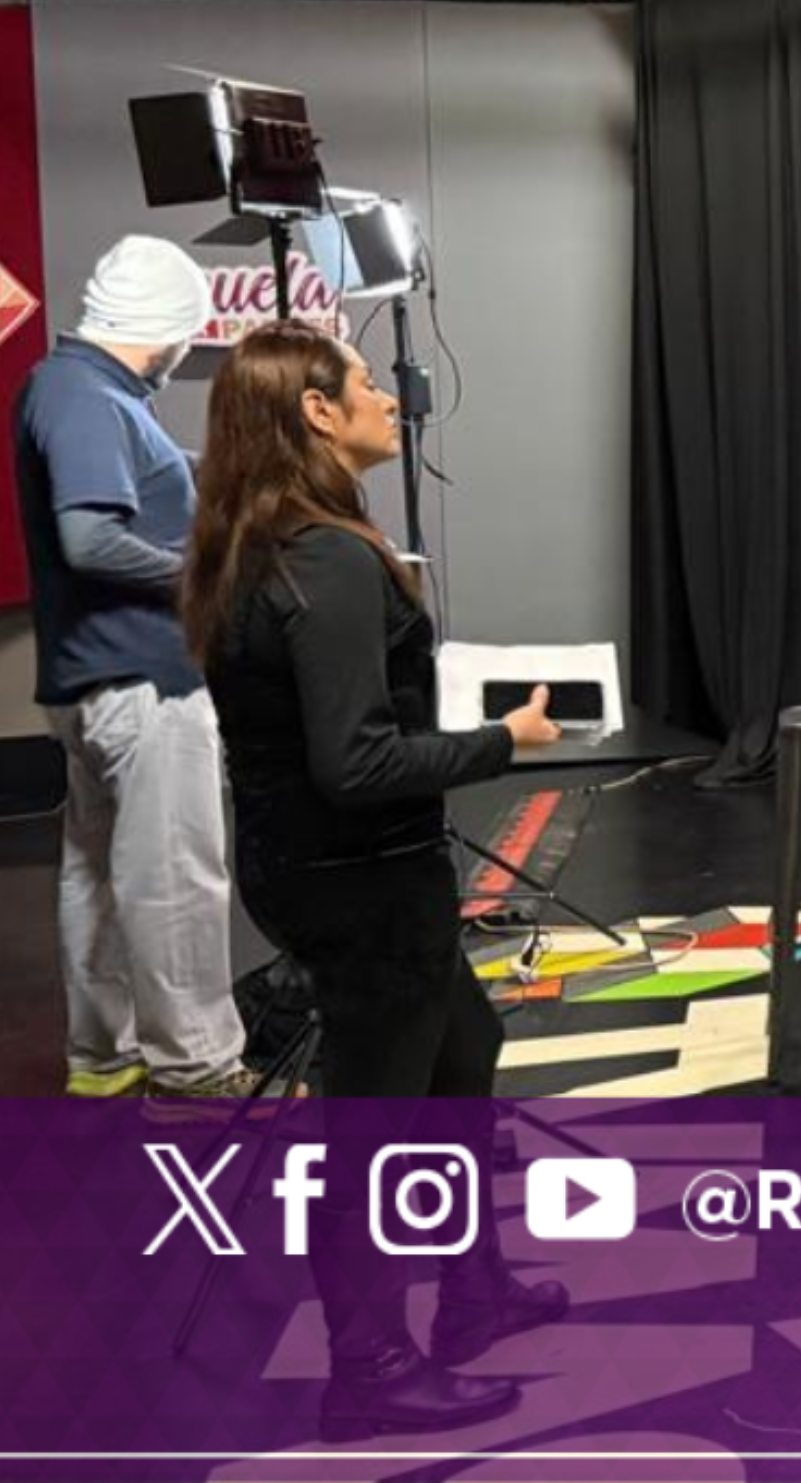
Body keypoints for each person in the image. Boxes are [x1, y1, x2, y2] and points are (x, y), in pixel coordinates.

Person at [182, 325, 568, 1441]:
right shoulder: (327, 559)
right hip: (360, 880)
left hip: (324, 870)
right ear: (315, 411)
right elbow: (354, 763)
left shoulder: (263, 544)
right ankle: (371, 1366)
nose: (390, 398)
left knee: (463, 1049)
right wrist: (503, 740)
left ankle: (475, 1291)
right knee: (374, 1126)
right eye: (364, 385)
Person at [10, 235, 251, 1108]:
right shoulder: (82, 394)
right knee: (175, 877)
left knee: (101, 878)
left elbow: (147, 479)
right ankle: (199, 1068)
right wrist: (204, 576)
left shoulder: (84, 389)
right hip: (143, 683)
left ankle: (104, 1055)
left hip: (96, 679)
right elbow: (90, 539)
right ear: (169, 327)